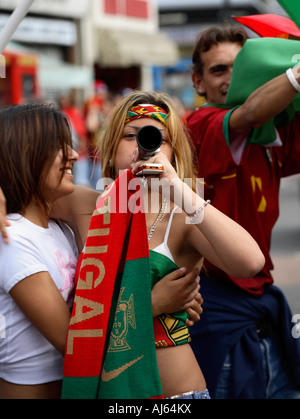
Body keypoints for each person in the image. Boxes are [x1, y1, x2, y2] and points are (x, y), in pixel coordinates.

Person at [59, 90, 265, 399]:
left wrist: (179, 189)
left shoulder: (181, 217)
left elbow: (250, 263)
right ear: (111, 145)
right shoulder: (86, 204)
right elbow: (20, 184)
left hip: (175, 396)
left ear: (173, 153)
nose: (143, 145)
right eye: (131, 135)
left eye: (158, 138)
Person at [187, 25, 300, 398]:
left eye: (242, 66)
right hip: (215, 310)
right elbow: (250, 111)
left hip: (262, 302)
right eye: (219, 70)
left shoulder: (272, 132)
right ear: (198, 81)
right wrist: (295, 75)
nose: (232, 78)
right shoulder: (197, 126)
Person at [0, 104, 79, 399]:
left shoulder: (62, 230)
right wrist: (154, 307)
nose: (74, 155)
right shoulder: (13, 237)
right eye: (59, 147)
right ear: (26, 155)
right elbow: (73, 343)